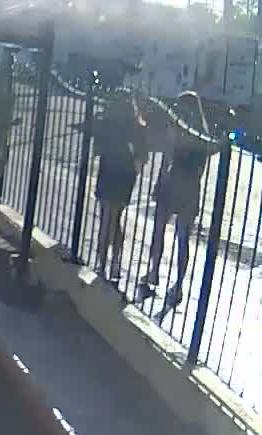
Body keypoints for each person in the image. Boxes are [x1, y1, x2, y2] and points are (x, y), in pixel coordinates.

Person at [142, 90, 217, 305]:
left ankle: (154, 271)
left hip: (172, 184)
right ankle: (179, 285)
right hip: (191, 188)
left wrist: (158, 183)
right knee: (183, 238)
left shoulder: (176, 128)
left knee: (159, 230)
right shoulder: (202, 134)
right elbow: (202, 167)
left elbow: (167, 159)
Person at [92, 97, 149, 283]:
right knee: (115, 219)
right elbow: (142, 158)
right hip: (125, 176)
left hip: (108, 171)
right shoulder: (138, 128)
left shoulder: (108, 125)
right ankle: (115, 262)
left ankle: (101, 264)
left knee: (106, 218)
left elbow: (97, 149)